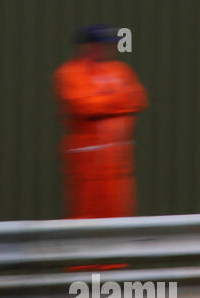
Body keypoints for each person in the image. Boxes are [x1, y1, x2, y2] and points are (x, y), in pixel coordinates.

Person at [54, 24, 148, 219]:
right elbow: (84, 106)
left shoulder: (120, 70)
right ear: (86, 46)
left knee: (119, 214)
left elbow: (138, 99)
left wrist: (103, 101)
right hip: (88, 158)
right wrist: (117, 99)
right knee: (87, 214)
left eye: (107, 44)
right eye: (98, 44)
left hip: (117, 159)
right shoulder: (70, 73)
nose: (104, 49)